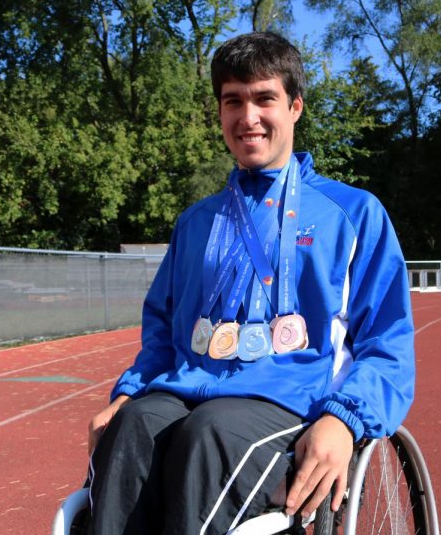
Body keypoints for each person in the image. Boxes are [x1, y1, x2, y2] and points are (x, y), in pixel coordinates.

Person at [86, 32, 415, 534]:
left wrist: (345, 419)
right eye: (232, 101)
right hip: (191, 388)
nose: (248, 116)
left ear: (295, 107)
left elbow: (387, 343)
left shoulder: (352, 214)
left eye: (265, 98)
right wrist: (129, 393)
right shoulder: (195, 223)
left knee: (208, 435)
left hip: (294, 399)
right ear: (219, 112)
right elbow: (163, 331)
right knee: (129, 428)